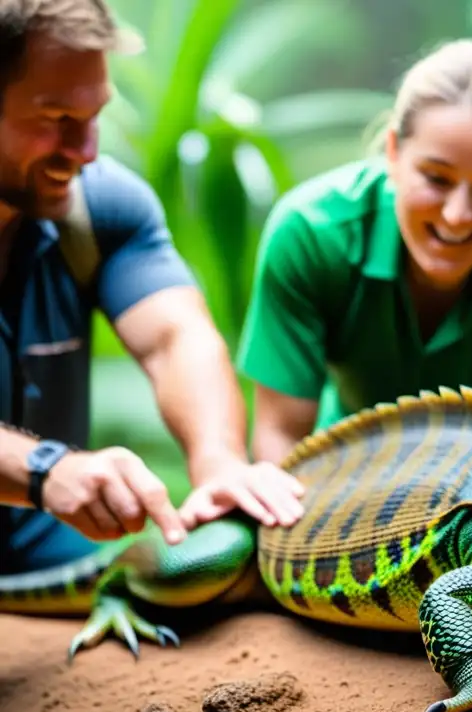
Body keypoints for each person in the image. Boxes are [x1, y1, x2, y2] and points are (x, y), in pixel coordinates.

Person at [0, 0, 305, 574]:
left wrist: (218, 463)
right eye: (56, 118)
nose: (86, 150)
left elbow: (175, 338)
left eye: (94, 117)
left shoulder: (102, 204)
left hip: (53, 567)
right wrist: (45, 469)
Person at [236, 38, 472, 464]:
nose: (458, 215)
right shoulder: (311, 235)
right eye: (436, 178)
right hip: (331, 490)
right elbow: (280, 440)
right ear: (393, 151)